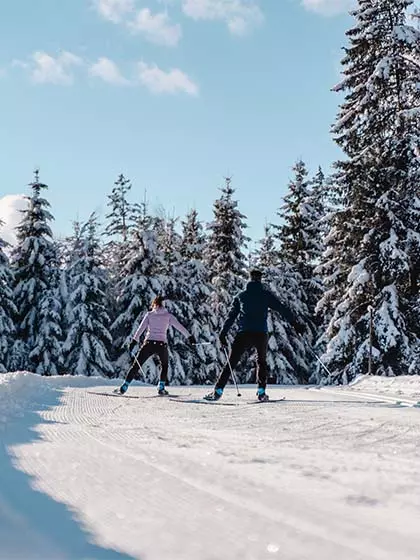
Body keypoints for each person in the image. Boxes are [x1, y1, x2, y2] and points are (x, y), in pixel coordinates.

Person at [204, 269, 305, 402]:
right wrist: (295, 324)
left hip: (244, 332)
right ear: (260, 279)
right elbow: (282, 308)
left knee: (232, 361)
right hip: (261, 333)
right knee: (261, 362)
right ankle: (261, 392)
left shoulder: (241, 296)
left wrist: (223, 333)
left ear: (250, 279)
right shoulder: (266, 295)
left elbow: (231, 317)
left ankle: (218, 391)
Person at [116, 296, 195, 395]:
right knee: (164, 365)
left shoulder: (149, 315)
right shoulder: (168, 316)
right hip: (161, 344)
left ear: (154, 304)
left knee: (136, 366)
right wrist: (189, 337)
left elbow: (140, 329)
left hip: (148, 343)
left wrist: (134, 341)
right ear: (164, 305)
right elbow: (180, 327)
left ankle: (124, 387)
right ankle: (161, 388)